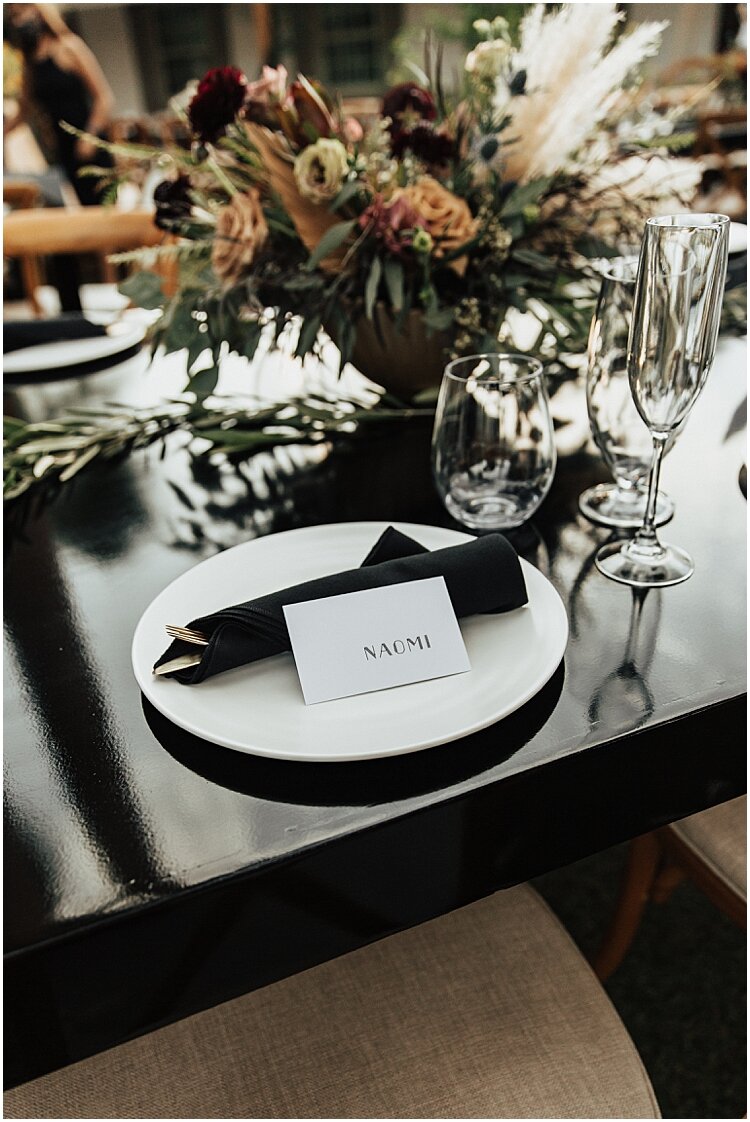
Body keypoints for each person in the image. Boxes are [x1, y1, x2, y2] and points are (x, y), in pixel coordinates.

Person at [3, 3, 114, 309]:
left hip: (91, 146)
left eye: (23, 9)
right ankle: (75, 305)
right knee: (68, 224)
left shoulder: (70, 47)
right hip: (62, 154)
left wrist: (89, 137)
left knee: (101, 224)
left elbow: (104, 98)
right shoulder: (29, 63)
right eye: (13, 14)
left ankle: (114, 294)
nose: (19, 18)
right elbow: (23, 111)